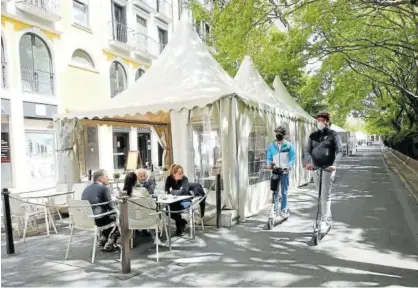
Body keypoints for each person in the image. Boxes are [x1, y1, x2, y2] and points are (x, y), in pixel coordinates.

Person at [304, 111, 343, 237]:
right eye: (318, 120)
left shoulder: (333, 134)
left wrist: (335, 164)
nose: (320, 122)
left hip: (328, 168)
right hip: (315, 168)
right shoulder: (313, 136)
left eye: (322, 120)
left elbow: (340, 151)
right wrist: (309, 163)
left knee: (325, 195)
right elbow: (307, 150)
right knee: (321, 195)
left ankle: (324, 221)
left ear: (327, 121)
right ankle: (327, 220)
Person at [81, 169, 120, 252]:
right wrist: (118, 212)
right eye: (106, 176)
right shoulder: (104, 189)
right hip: (99, 219)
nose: (108, 178)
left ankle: (103, 239)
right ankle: (110, 243)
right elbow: (111, 206)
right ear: (100, 178)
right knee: (118, 217)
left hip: (87, 219)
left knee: (110, 216)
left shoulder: (86, 189)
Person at [266, 126, 296, 219]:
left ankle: (283, 208)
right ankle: (275, 209)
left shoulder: (288, 145)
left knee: (284, 191)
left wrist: (288, 166)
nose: (278, 136)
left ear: (283, 135)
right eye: (277, 134)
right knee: (274, 191)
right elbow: (269, 157)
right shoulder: (272, 146)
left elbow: (292, 158)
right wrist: (269, 163)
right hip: (275, 170)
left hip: (284, 172)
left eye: (280, 134)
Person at [123, 172, 161, 245]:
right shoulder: (143, 190)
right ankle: (155, 238)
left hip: (129, 222)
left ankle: (128, 241)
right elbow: (153, 206)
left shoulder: (122, 193)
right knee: (151, 214)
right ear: (136, 180)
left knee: (143, 213)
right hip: (146, 221)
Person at [165, 164, 191, 236]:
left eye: (182, 172)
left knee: (174, 208)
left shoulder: (184, 179)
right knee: (167, 211)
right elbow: (167, 190)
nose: (182, 175)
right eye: (180, 173)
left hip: (185, 200)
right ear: (174, 174)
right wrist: (176, 191)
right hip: (173, 200)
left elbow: (184, 191)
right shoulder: (169, 179)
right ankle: (182, 222)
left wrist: (172, 191)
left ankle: (179, 228)